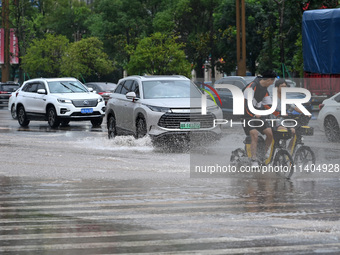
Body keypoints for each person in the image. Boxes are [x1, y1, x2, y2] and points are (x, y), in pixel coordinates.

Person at [242, 70, 276, 167]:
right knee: (254, 134)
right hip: (246, 115)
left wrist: (281, 113)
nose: (272, 84)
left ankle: (261, 154)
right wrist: (253, 113)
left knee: (270, 134)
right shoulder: (252, 86)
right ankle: (254, 159)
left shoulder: (264, 89)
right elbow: (245, 104)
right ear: (269, 80)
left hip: (258, 115)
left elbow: (268, 105)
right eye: (272, 82)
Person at [272, 78, 302, 153]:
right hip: (274, 121)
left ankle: (289, 151)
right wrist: (279, 113)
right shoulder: (272, 98)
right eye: (282, 86)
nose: (284, 88)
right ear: (277, 88)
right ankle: (281, 149)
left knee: (296, 132)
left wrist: (305, 112)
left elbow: (294, 107)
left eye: (285, 87)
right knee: (289, 130)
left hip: (283, 121)